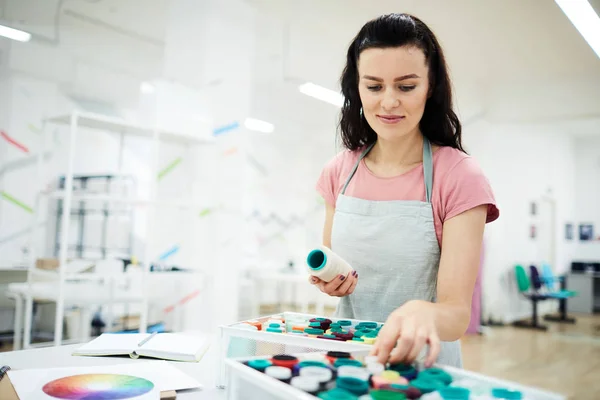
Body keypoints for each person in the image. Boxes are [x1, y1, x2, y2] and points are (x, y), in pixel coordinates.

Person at [311, 13, 499, 369]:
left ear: (431, 88)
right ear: (357, 89)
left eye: (406, 86)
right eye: (374, 86)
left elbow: (456, 315)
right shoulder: (339, 171)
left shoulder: (459, 176)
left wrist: (420, 313)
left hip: (422, 369)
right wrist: (330, 282)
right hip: (346, 359)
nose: (389, 102)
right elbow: (335, 266)